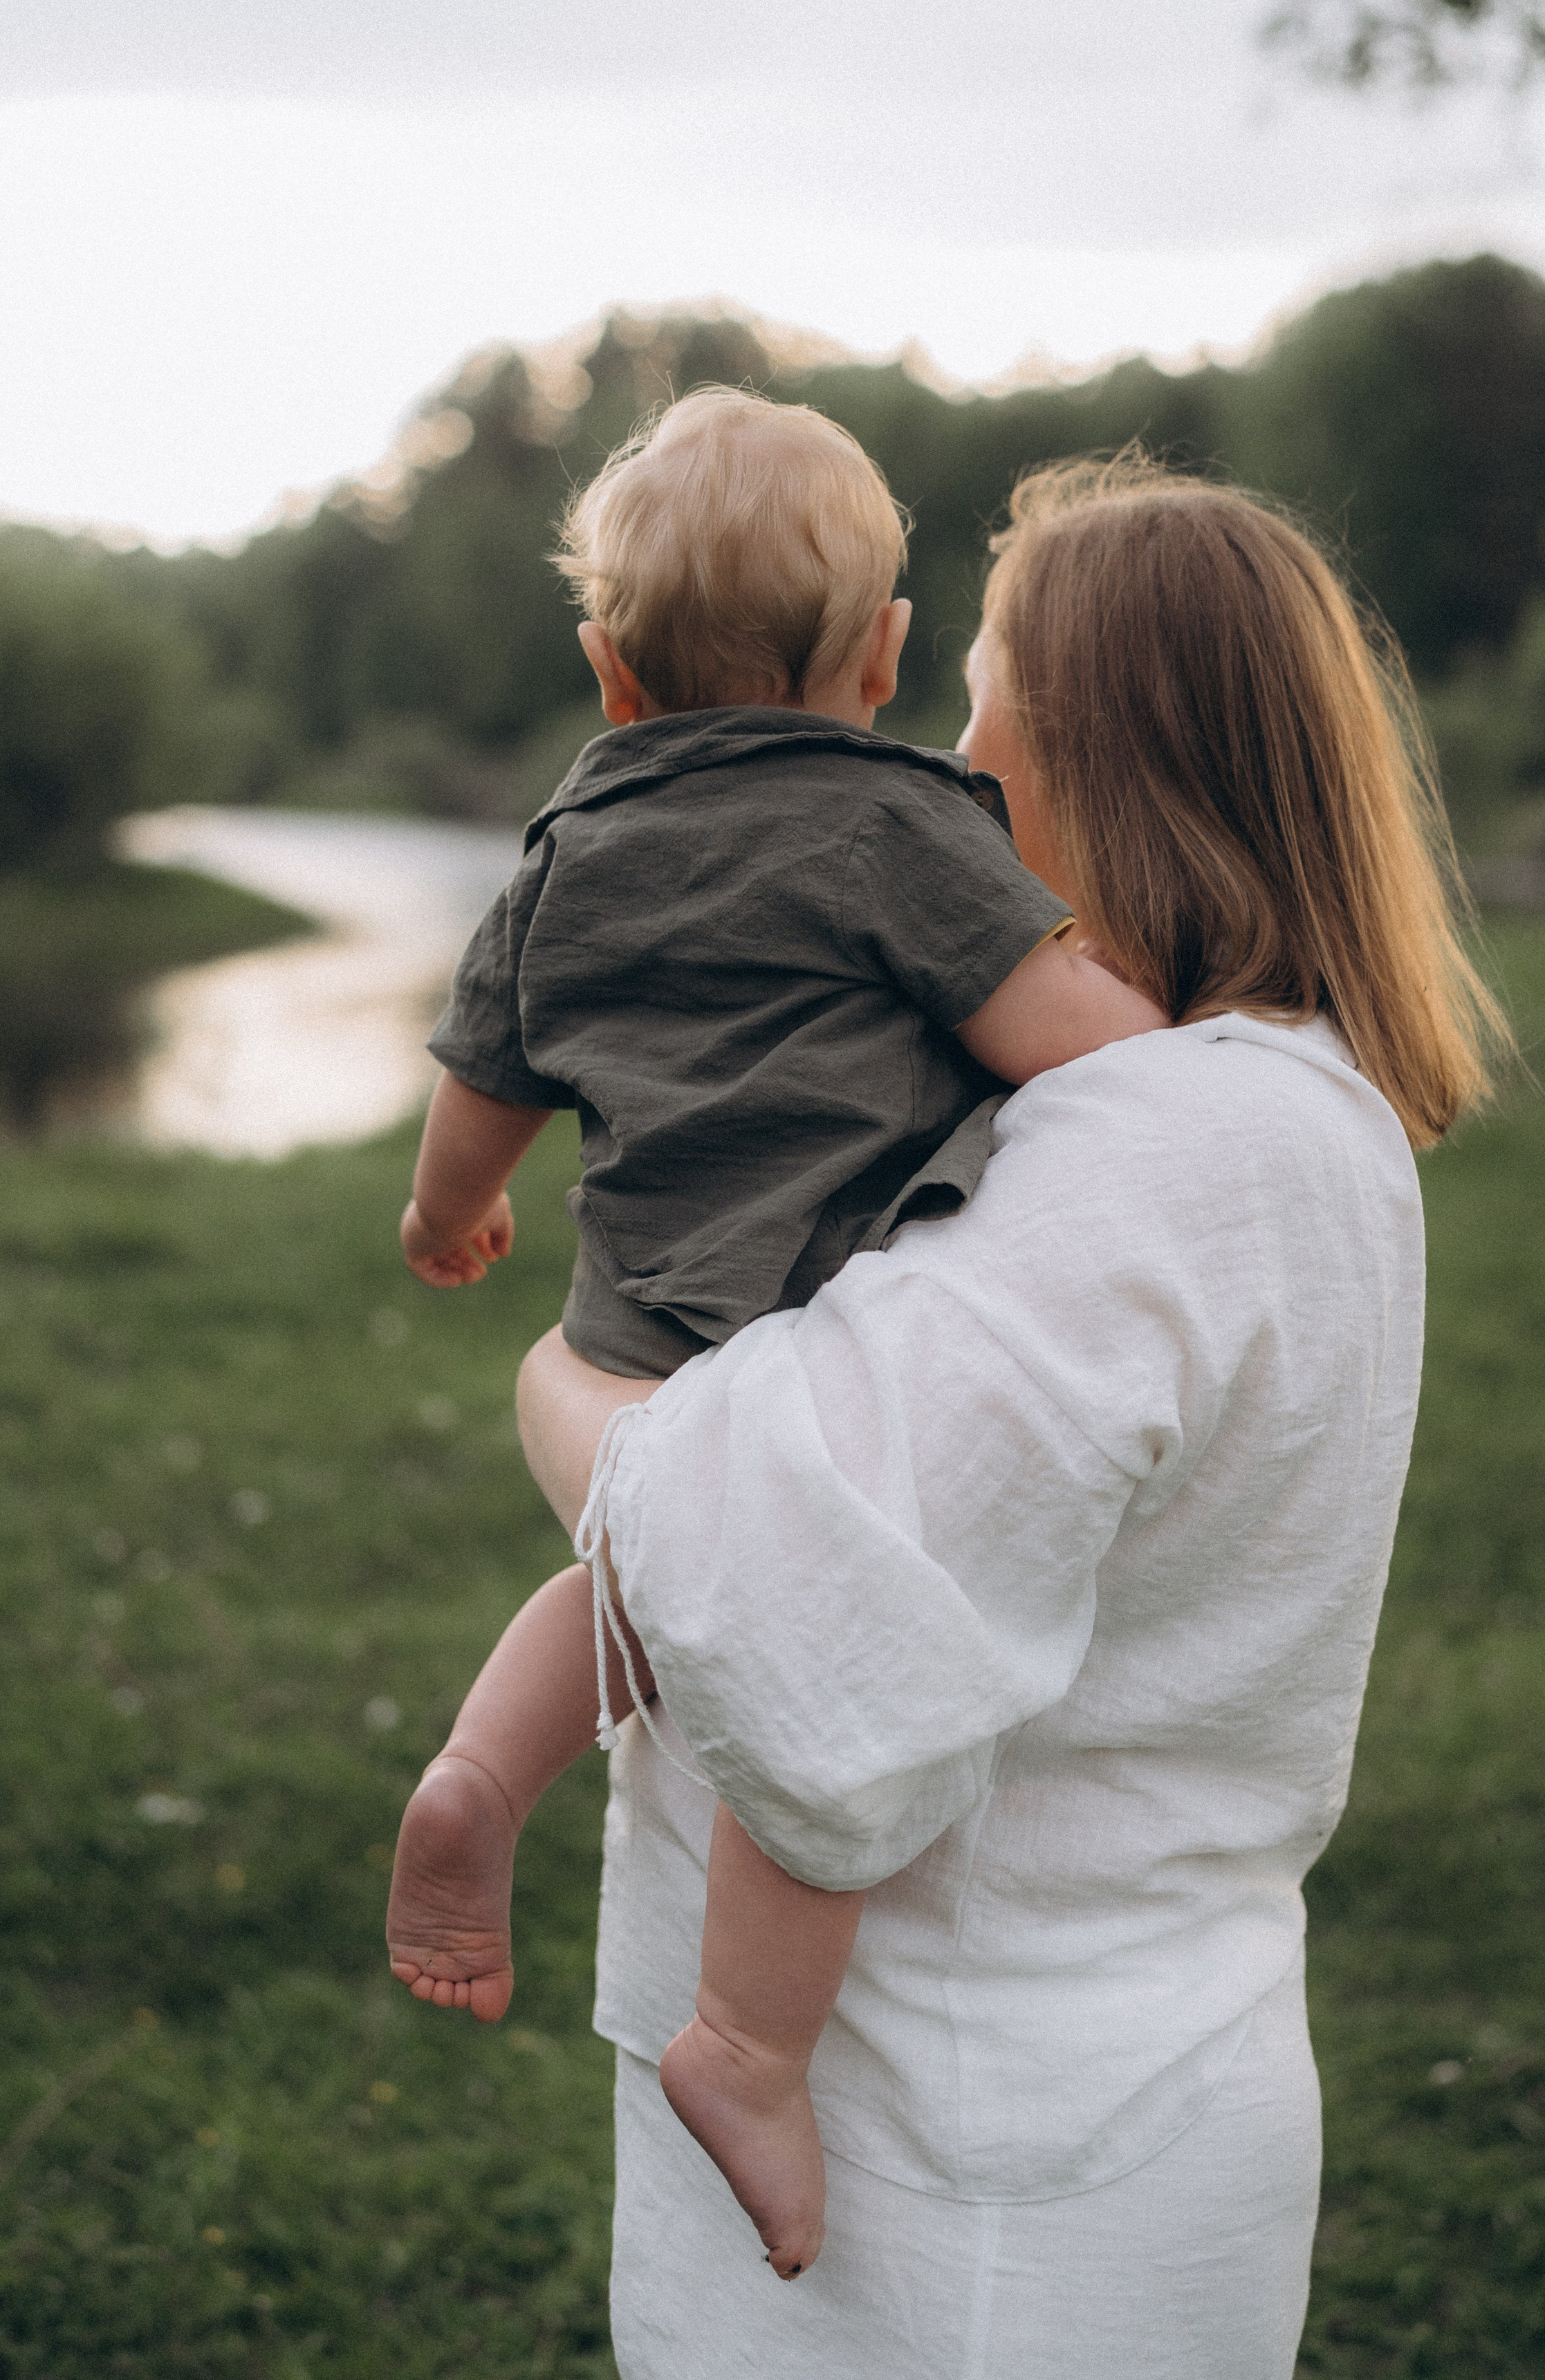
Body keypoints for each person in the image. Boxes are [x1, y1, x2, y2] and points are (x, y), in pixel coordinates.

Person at [515, 454, 1510, 2379]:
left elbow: (791, 1565)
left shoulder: (1169, 1136)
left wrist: (563, 1387)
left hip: (967, 2172)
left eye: (980, 702)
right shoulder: (1285, 1108)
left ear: (1105, 754)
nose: (951, 765)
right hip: (1075, 2087)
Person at [385, 391, 1167, 2274]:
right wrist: (1167, 1022)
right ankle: (748, 2040)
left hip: (641, 1323)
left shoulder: (563, 853)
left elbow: (479, 1083)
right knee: (825, 1682)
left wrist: (444, 1214)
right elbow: (1068, 1044)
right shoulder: (900, 827)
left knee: (642, 1586)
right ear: (890, 653)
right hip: (817, 1324)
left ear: (610, 669)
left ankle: (477, 1776)